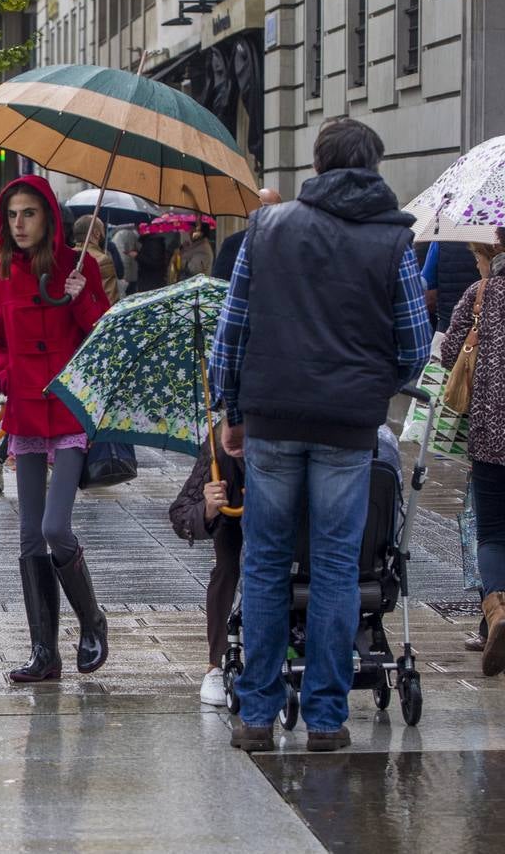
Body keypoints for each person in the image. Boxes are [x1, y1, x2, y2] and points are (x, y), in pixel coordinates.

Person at [212, 117, 432, 753]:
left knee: (267, 561)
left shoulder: (269, 228)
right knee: (338, 567)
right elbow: (416, 346)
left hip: (273, 418)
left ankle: (256, 714)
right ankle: (327, 721)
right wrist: (370, 386)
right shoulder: (395, 242)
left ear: (318, 164)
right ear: (374, 167)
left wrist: (232, 409)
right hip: (348, 427)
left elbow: (233, 329)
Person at [0, 175, 111, 683]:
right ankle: (44, 653)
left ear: (48, 217)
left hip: (70, 411)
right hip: (26, 412)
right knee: (30, 534)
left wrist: (81, 296)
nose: (19, 224)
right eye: (12, 215)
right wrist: (7, 376)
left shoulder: (78, 268)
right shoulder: (1, 273)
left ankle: (93, 620)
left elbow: (100, 336)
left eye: (28, 213)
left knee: (56, 526)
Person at [442, 246, 505, 675]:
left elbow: (449, 356)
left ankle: (497, 611)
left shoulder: (481, 292)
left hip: (491, 434)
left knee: (494, 532)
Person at [169, 422, 245, 706]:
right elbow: (181, 513)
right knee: (227, 567)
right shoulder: (223, 441)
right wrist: (209, 507)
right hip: (236, 519)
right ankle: (217, 662)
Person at [213, 189, 283, 281]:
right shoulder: (233, 243)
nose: (262, 211)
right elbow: (220, 281)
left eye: (267, 207)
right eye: (258, 207)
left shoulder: (288, 242)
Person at [421, 240, 481, 332]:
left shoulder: (441, 239)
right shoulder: (491, 237)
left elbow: (426, 281)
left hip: (449, 323)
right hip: (485, 322)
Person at [72, 214, 119, 304]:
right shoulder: (103, 260)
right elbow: (110, 298)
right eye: (103, 230)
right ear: (97, 233)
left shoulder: (67, 255)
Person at [111, 224, 140, 296]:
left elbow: (120, 255)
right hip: (131, 272)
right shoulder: (131, 235)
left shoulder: (120, 235)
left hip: (126, 273)